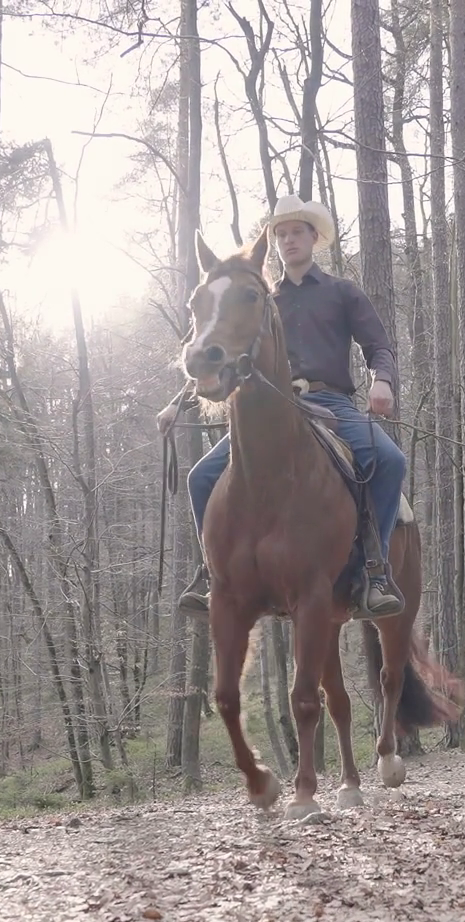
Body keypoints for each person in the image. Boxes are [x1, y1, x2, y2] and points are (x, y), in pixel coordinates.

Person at [158, 195, 409, 619]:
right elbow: (221, 350)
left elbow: (378, 346)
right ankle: (212, 573)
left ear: (313, 238)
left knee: (389, 460)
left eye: (297, 232)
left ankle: (375, 571)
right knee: (201, 477)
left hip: (331, 402)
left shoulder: (341, 292)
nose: (289, 240)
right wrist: (177, 403)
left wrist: (382, 379)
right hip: (271, 409)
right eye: (281, 234)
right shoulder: (256, 297)